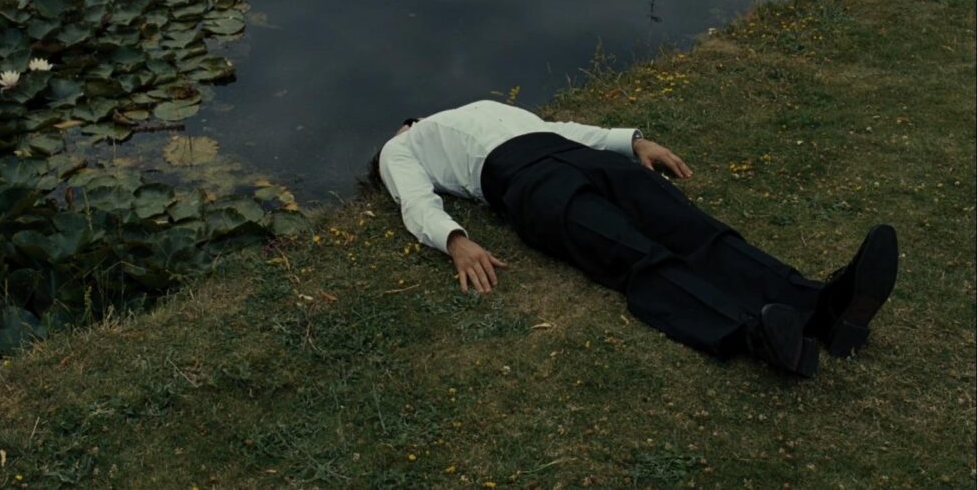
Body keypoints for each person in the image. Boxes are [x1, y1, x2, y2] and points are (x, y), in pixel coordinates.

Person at [372, 100, 898, 377]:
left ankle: (824, 307)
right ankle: (755, 336)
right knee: (635, 255)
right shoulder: (400, 148)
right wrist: (455, 240)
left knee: (693, 228)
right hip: (530, 185)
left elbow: (563, 126)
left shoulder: (481, 106)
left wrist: (634, 141)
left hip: (581, 157)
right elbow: (416, 200)